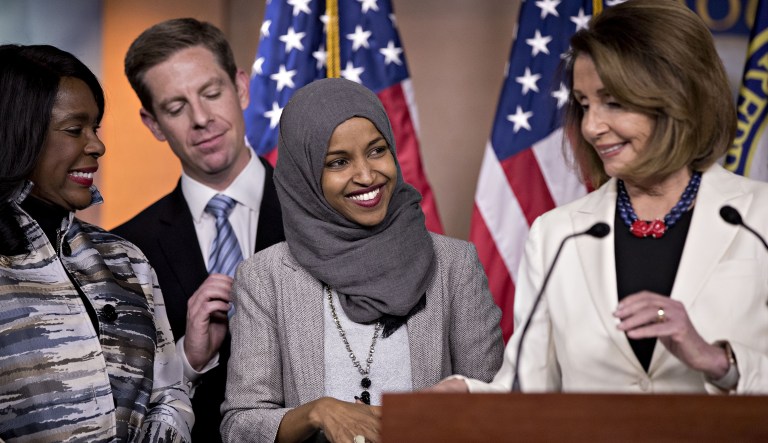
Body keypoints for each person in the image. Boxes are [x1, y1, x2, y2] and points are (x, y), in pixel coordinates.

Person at [435, 0, 768, 395]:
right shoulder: (558, 234)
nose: (592, 127)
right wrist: (464, 394)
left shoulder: (757, 217)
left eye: (613, 101)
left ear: (679, 96)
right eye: (583, 104)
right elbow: (527, 390)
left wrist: (720, 363)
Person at [220, 78, 504, 442]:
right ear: (304, 175)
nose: (367, 176)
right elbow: (239, 426)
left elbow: (497, 403)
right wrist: (316, 412)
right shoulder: (265, 277)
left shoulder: (454, 263)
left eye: (376, 150)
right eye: (338, 162)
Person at [0, 44, 193, 441]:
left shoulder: (126, 258)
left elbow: (170, 393)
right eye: (75, 130)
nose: (97, 145)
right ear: (18, 132)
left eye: (96, 128)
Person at [112, 18, 285, 441]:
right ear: (153, 123)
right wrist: (186, 363)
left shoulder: (322, 213)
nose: (202, 118)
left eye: (211, 93)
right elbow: (120, 411)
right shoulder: (124, 248)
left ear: (241, 88)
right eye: (175, 108)